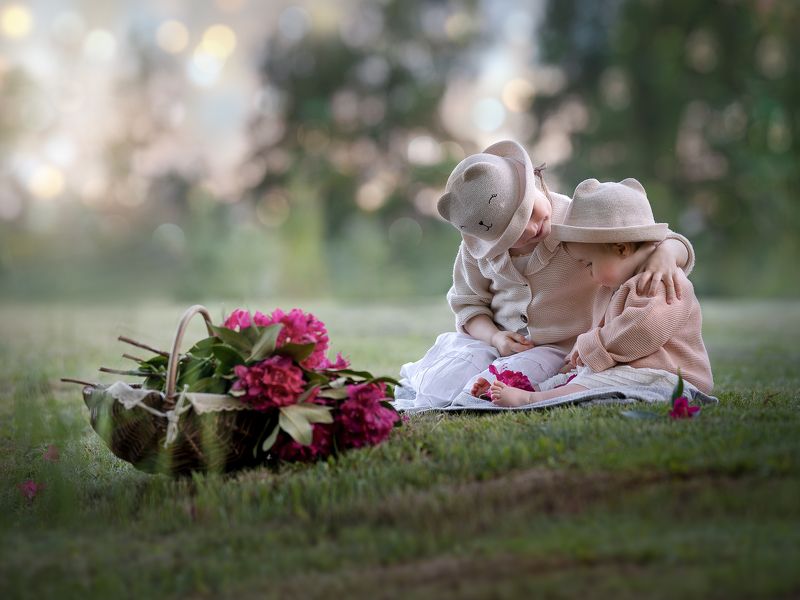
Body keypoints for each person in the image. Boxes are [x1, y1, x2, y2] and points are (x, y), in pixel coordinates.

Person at [397, 140, 697, 409]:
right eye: (511, 234)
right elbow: (468, 305)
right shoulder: (478, 252)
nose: (530, 229)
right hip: (495, 341)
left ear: (537, 183)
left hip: (560, 348)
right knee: (445, 379)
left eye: (528, 212)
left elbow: (644, 236)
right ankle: (431, 386)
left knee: (506, 379)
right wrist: (496, 337)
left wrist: (667, 254)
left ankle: (494, 389)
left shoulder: (579, 219)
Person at [489, 177, 713, 407]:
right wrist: (579, 358)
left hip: (668, 375)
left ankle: (533, 398)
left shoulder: (659, 280)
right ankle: (537, 389)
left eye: (589, 263)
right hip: (634, 369)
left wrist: (589, 347)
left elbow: (641, 330)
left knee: (596, 384)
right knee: (578, 378)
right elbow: (605, 327)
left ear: (621, 248)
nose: (589, 274)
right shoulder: (615, 286)